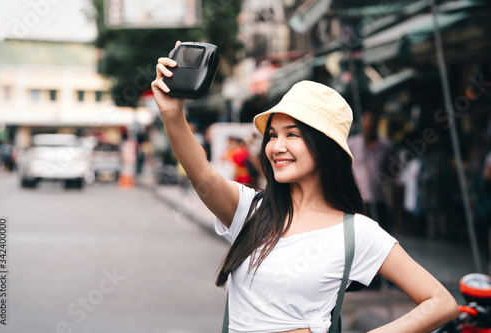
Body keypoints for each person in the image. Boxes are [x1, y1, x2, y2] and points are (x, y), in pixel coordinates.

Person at [151, 44, 457, 333]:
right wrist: (172, 114)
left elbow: (440, 303)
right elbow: (201, 174)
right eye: (272, 135)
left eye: (292, 134)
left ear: (324, 147)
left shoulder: (356, 233)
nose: (277, 147)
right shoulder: (249, 211)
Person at [348, 110, 393, 231]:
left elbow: (391, 171)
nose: (369, 125)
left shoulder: (386, 146)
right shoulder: (352, 144)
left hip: (379, 199)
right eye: (367, 121)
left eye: (372, 121)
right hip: (359, 200)